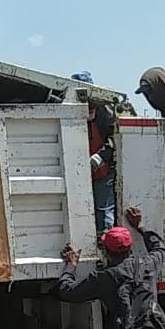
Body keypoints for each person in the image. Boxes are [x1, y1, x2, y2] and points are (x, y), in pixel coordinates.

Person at [72, 72, 117, 235]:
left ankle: (106, 246)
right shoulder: (69, 108)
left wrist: (101, 156)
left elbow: (114, 137)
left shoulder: (103, 109)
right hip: (77, 172)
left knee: (104, 212)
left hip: (102, 171)